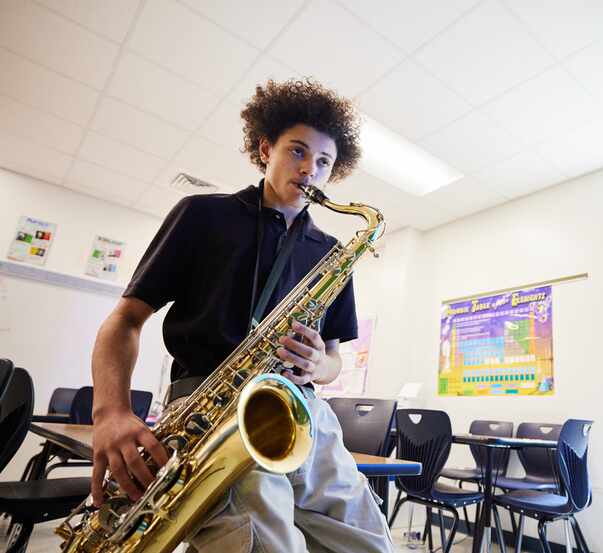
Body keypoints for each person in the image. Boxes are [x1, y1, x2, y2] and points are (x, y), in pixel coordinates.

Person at [89, 79, 393, 553]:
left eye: (324, 162)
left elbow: (336, 359)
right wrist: (110, 412)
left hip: (304, 411)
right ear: (265, 147)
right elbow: (126, 320)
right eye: (297, 151)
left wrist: (320, 365)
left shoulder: (332, 253)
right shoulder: (202, 215)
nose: (310, 169)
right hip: (211, 406)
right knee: (266, 546)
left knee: (372, 543)